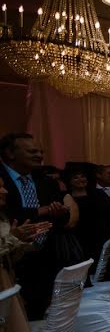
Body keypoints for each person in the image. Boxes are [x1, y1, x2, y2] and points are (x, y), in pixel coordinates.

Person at [0, 133, 73, 319]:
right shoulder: (1, 181)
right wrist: (40, 211)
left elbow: (60, 220)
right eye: (32, 151)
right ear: (10, 153)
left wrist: (60, 213)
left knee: (37, 313)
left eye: (41, 151)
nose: (39, 155)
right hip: (8, 259)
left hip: (43, 257)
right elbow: (7, 214)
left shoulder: (47, 182)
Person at [0, 177, 49, 332]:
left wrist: (19, 240)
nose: (4, 191)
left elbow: (8, 255)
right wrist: (12, 238)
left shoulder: (3, 216)